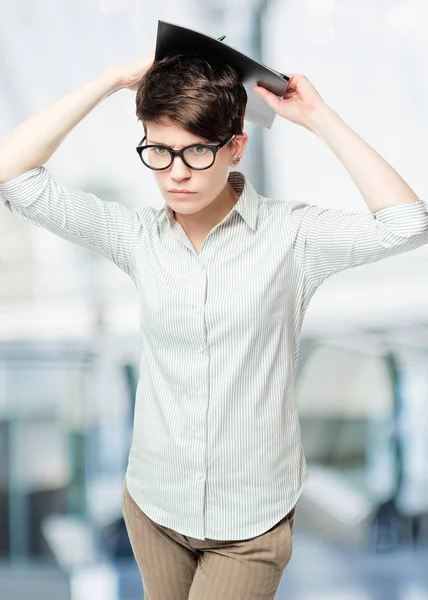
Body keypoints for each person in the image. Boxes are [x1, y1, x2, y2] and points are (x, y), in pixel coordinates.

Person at [1, 46, 427, 600]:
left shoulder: (292, 237)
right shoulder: (136, 238)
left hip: (250, 522)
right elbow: (12, 173)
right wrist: (109, 81)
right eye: (159, 151)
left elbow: (407, 225)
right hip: (155, 506)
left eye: (198, 151)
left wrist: (318, 117)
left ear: (236, 148)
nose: (176, 174)